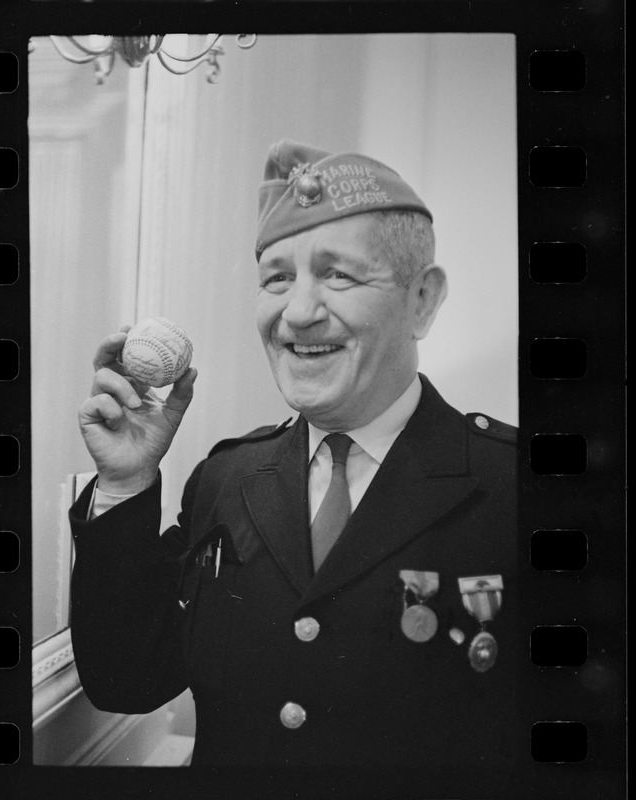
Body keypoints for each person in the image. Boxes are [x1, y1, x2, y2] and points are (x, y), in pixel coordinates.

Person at [69, 140, 517, 792]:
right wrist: (125, 482)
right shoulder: (225, 481)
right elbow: (126, 677)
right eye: (277, 278)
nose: (298, 313)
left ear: (422, 300)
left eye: (338, 275)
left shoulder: (517, 491)